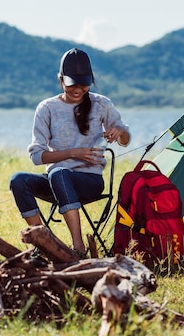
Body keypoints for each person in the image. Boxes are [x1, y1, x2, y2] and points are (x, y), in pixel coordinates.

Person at [9, 48, 131, 256]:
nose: (78, 89)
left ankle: (78, 248)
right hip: (57, 180)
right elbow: (37, 156)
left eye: (84, 84)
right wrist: (74, 153)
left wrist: (119, 131)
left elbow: (125, 139)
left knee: (59, 174)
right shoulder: (47, 108)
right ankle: (44, 244)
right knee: (18, 180)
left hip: (89, 181)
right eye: (72, 83)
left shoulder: (101, 103)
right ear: (60, 80)